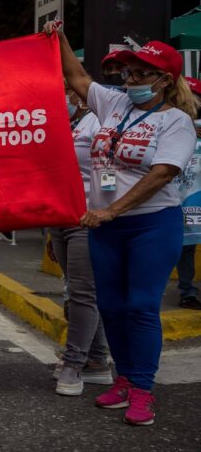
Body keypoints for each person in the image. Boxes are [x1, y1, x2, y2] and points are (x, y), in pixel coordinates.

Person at [50, 22, 196, 427]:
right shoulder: (115, 104)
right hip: (106, 230)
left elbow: (163, 173)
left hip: (151, 227)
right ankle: (125, 379)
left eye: (141, 74)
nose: (130, 80)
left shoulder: (176, 122)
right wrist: (59, 38)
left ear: (164, 81)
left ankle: (144, 390)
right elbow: (78, 78)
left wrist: (112, 210)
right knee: (111, 307)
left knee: (141, 307)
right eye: (128, 72)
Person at [48, 76, 112, 397]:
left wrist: (106, 209)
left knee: (81, 294)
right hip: (61, 218)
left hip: (88, 219)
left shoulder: (98, 123)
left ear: (76, 93)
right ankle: (97, 361)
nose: (60, 96)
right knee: (78, 290)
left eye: (62, 90)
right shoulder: (67, 124)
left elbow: (109, 170)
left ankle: (73, 365)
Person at [175, 76, 201, 310]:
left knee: (190, 244)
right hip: (177, 199)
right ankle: (187, 292)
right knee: (185, 246)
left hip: (195, 197)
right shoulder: (168, 123)